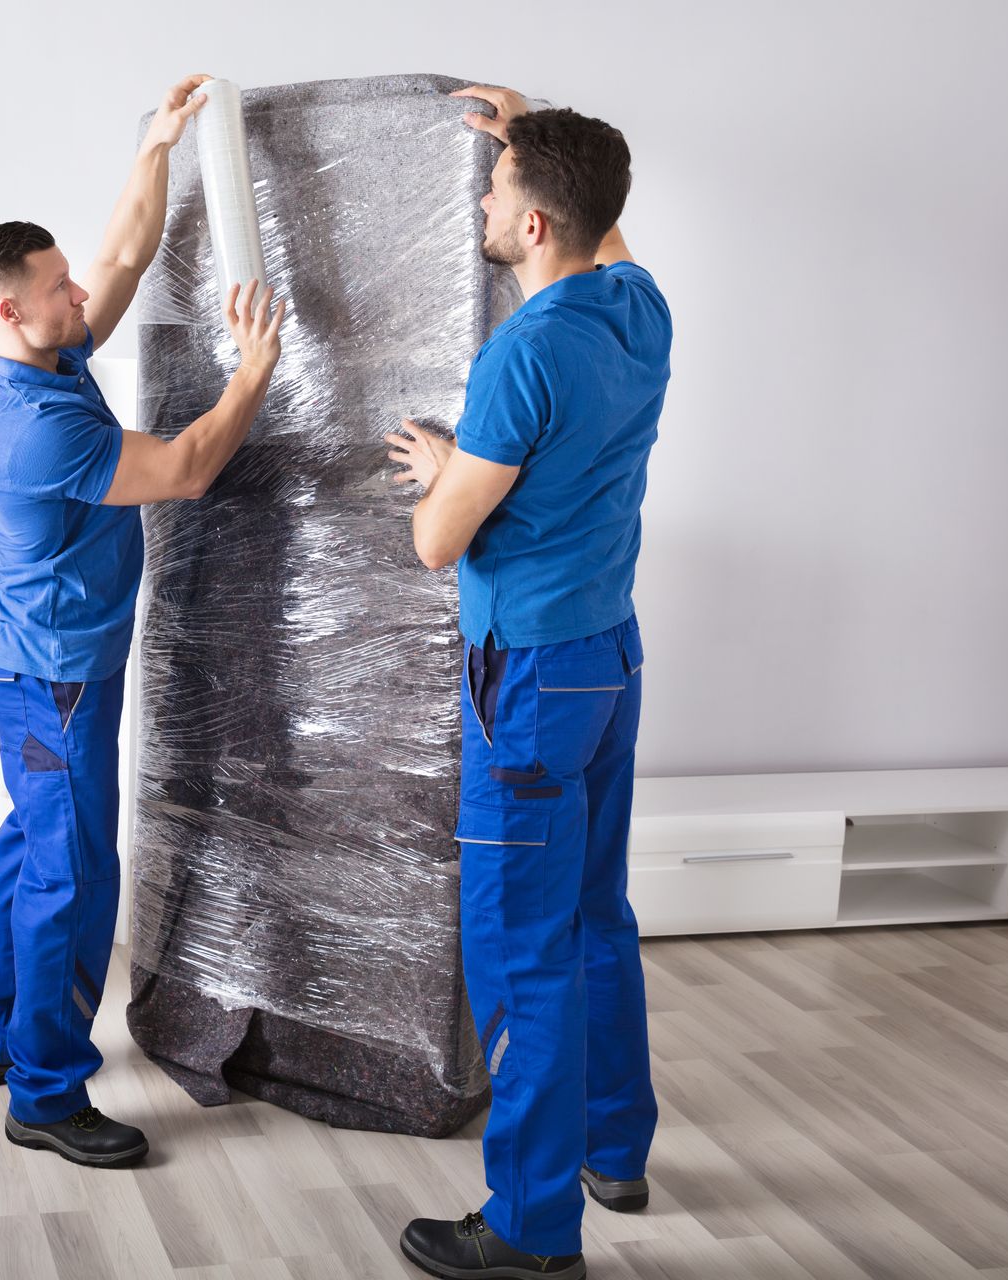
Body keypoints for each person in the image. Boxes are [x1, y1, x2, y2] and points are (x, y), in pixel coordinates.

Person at [0, 73, 286, 1168]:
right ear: (11, 309)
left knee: (30, 849)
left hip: (36, 667)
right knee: (75, 872)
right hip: (58, 677)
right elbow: (187, 467)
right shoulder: (36, 427)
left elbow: (125, 255)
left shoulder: (41, 356)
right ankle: (46, 1091)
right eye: (56, 288)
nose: (78, 296)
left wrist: (159, 148)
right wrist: (254, 375)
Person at [386, 84, 671, 1280]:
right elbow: (605, 226)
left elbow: (438, 541)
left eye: (498, 188)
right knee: (597, 912)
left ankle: (532, 1229)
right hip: (609, 657)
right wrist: (526, 131)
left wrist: (445, 464)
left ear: (536, 225)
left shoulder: (522, 353)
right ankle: (616, 1148)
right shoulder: (638, 307)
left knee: (524, 951)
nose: (486, 202)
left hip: (531, 679)